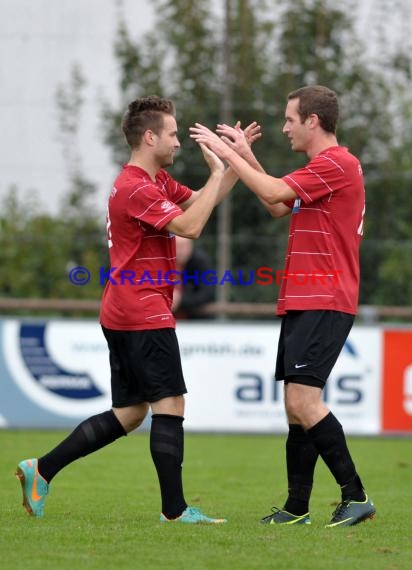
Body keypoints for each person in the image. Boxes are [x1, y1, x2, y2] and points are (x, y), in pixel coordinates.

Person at [15, 95, 260, 523]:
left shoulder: (155, 182)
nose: (178, 141)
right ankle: (175, 511)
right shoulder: (136, 187)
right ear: (149, 137)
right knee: (171, 404)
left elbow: (200, 201)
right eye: (171, 132)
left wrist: (235, 161)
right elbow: (192, 226)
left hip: (124, 309)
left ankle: (42, 469)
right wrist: (220, 168)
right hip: (142, 309)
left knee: (130, 413)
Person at [190, 85, 375, 528]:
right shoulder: (321, 168)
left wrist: (228, 155)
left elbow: (273, 189)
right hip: (305, 299)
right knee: (296, 406)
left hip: (324, 298)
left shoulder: (336, 163)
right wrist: (244, 156)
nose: (284, 126)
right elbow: (276, 202)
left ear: (313, 120)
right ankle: (296, 508)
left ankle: (356, 496)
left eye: (290, 118)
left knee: (303, 401)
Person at [172, 235, 215, 319]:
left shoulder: (200, 262)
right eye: (178, 246)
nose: (181, 251)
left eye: (185, 246)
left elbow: (208, 293)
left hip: (195, 319)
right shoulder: (161, 262)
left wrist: (180, 300)